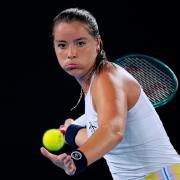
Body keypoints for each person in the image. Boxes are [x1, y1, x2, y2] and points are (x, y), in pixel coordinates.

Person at [40, 8, 180, 179]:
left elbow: (112, 131)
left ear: (98, 43)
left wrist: (76, 159)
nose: (70, 53)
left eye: (80, 43)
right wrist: (71, 132)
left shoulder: (107, 77)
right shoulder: (94, 85)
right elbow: (102, 140)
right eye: (62, 45)